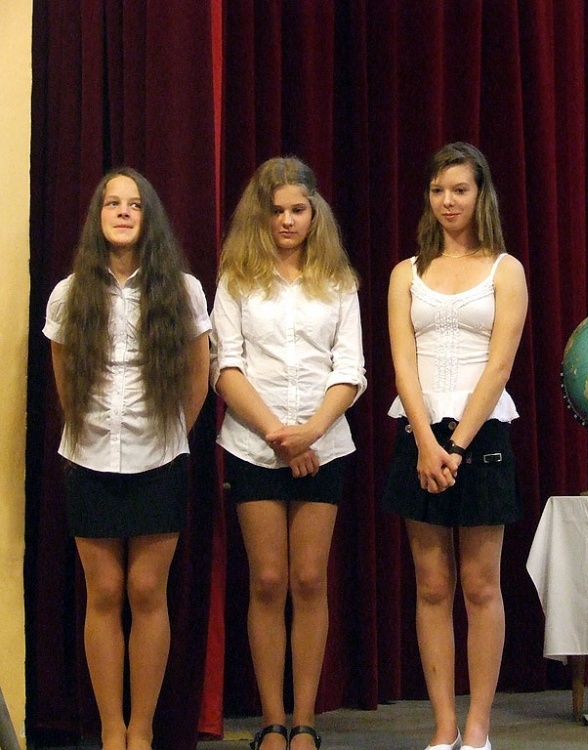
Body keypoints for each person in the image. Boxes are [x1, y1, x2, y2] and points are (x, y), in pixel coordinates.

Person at [44, 168, 211, 750]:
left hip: (159, 457)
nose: (122, 212)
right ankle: (112, 731)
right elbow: (65, 378)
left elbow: (198, 374)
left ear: (148, 217)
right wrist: (91, 432)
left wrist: (170, 437)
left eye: (134, 204)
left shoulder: (182, 289)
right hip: (89, 457)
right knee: (104, 593)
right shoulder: (69, 293)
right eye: (112, 203)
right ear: (98, 216)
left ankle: (141, 731)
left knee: (145, 591)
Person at [211, 156, 366, 750]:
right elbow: (225, 368)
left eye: (297, 210)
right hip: (254, 445)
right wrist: (281, 433)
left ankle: (304, 721)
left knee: (307, 578)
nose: (286, 220)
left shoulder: (338, 280)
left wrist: (311, 432)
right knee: (269, 579)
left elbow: (350, 370)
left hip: (324, 448)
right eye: (276, 211)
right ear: (261, 215)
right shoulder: (237, 277)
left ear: (313, 213)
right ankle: (272, 721)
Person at [381, 142, 528, 750]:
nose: (449, 201)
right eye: (439, 190)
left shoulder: (506, 270)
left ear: (479, 194)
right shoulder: (405, 272)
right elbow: (402, 362)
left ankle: (479, 726)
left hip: (481, 434)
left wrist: (458, 446)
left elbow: (499, 365)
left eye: (460, 190)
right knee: (432, 586)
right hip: (419, 434)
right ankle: (443, 725)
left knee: (481, 585)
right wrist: (425, 441)